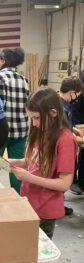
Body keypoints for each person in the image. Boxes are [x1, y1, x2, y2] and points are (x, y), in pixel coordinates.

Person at [0, 87, 76, 263]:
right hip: (28, 200)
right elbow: (33, 161)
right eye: (32, 119)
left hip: (46, 206)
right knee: (20, 242)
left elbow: (64, 183)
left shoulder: (65, 140)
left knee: (43, 252)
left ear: (53, 113)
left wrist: (28, 177)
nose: (34, 123)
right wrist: (14, 163)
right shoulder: (40, 132)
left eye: (37, 118)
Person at [0, 47, 29, 193]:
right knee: (16, 167)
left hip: (3, 131)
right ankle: (20, 198)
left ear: (3, 61)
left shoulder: (0, 78)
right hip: (21, 130)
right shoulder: (24, 79)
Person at [59, 76, 83, 215]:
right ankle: (58, 207)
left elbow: (64, 126)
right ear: (72, 92)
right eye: (77, 95)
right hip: (62, 150)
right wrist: (77, 139)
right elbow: (61, 132)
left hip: (63, 147)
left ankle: (59, 205)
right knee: (61, 180)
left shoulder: (61, 103)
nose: (77, 99)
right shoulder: (61, 107)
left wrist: (72, 129)